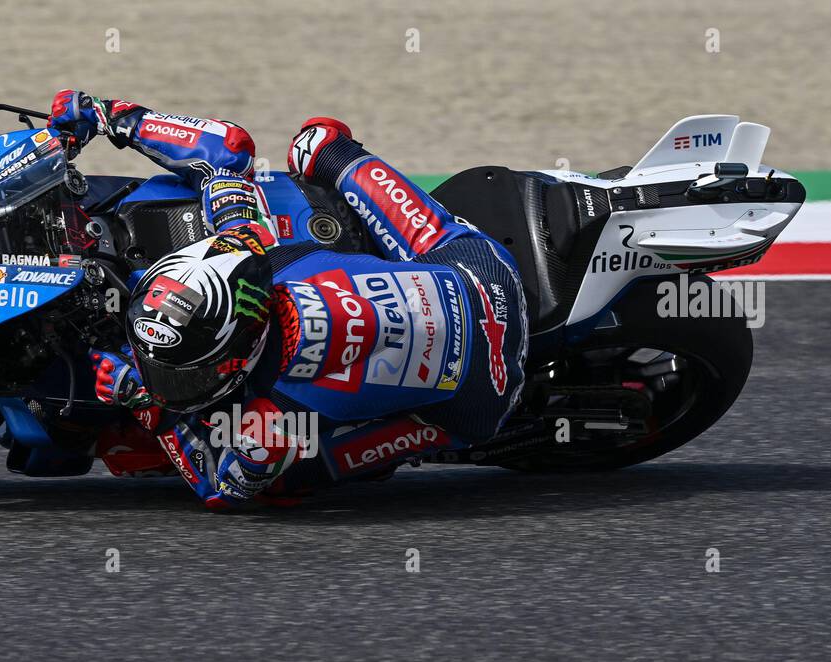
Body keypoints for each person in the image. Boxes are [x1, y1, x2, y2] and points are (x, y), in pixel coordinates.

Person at [49, 90, 529, 508]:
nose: (172, 381)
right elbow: (229, 147)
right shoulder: (246, 247)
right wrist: (112, 115)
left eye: (189, 371)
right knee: (318, 144)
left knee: (288, 481)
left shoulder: (271, 417)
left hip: (484, 392)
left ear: (238, 353)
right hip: (475, 276)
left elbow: (222, 491)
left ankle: (446, 434)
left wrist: (148, 403)